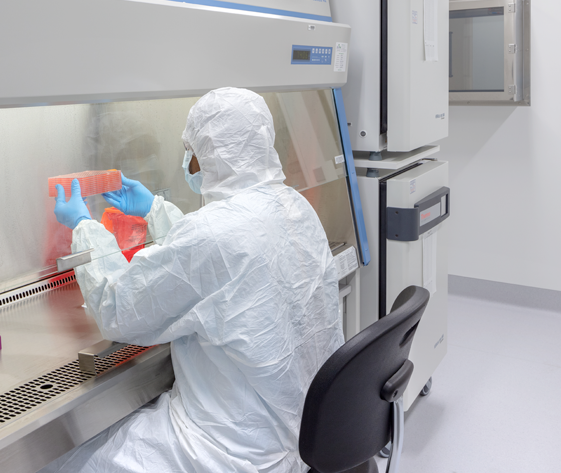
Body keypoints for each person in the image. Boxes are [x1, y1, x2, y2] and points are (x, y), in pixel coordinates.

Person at [47, 87, 343, 473]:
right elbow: (209, 260)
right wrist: (155, 209)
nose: (187, 161)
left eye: (190, 149)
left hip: (231, 450)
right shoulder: (293, 206)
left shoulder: (215, 233)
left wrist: (84, 227)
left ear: (209, 154)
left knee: (65, 463)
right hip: (301, 434)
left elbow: (119, 309)